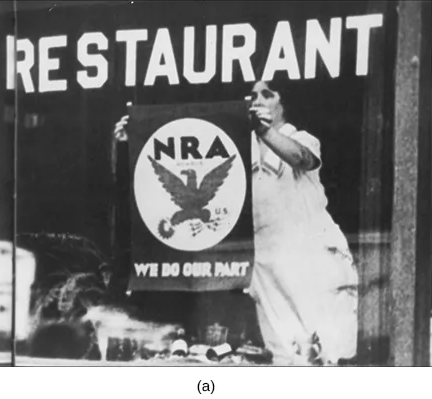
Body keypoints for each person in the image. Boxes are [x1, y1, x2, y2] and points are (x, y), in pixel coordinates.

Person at [113, 81, 359, 366]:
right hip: (266, 259)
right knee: (284, 355)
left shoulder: (300, 137)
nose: (258, 100)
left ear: (284, 104)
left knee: (324, 356)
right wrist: (132, 141)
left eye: (268, 93)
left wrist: (263, 129)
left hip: (310, 257)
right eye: (252, 95)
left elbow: (302, 159)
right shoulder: (241, 146)